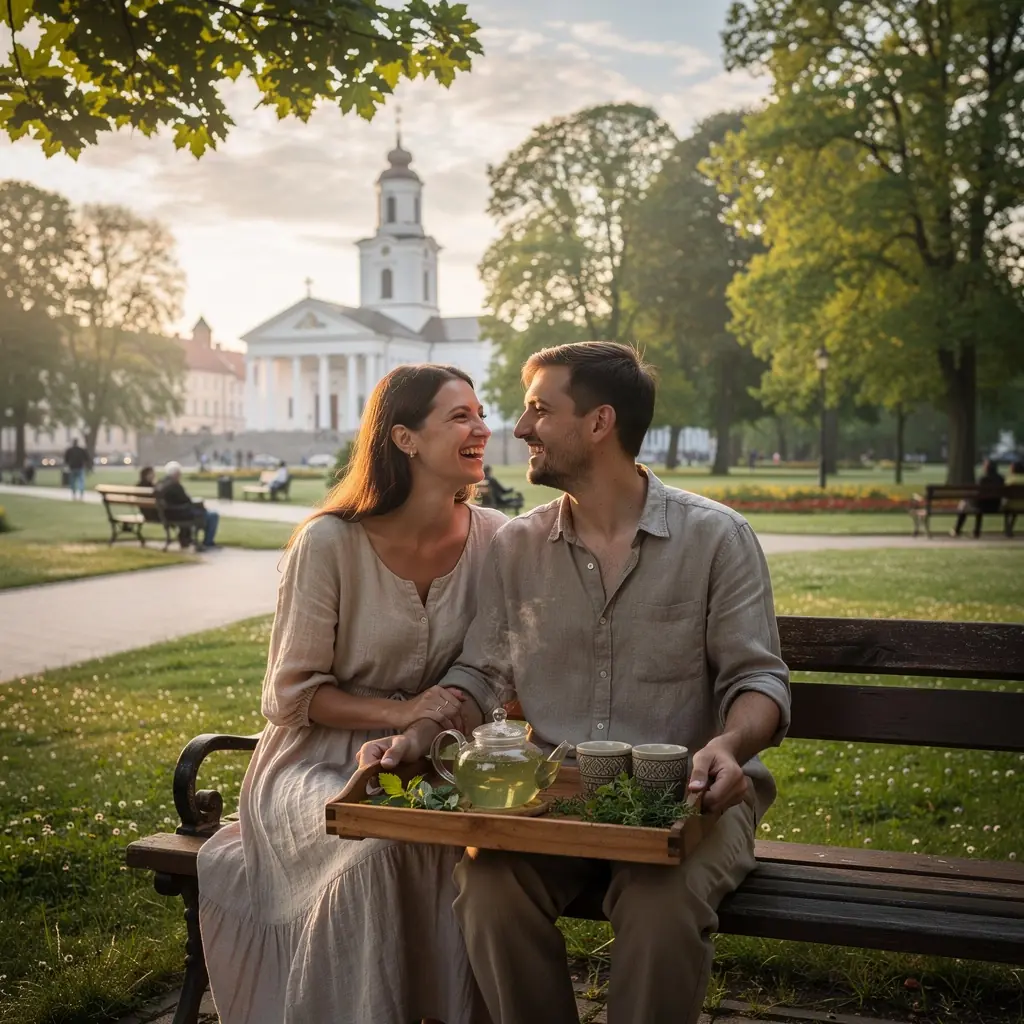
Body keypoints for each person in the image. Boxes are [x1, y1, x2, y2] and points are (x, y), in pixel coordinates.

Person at [362, 342, 791, 1024]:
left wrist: (730, 747)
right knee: (489, 888)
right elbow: (483, 670)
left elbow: (758, 679)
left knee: (658, 907)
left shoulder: (716, 538)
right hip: (556, 797)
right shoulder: (519, 545)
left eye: (539, 409)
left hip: (689, 803)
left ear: (599, 423)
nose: (520, 428)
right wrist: (420, 734)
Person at [196, 364, 506, 1024]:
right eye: (460, 416)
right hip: (314, 760)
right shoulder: (329, 542)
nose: (483, 427)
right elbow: (290, 697)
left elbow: (491, 668)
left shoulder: (495, 540)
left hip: (434, 757)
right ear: (404, 439)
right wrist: (399, 712)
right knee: (375, 849)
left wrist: (422, 728)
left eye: (480, 413)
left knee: (450, 844)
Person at [156, 461, 220, 550]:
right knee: (213, 515)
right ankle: (208, 542)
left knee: (204, 512)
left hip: (168, 514)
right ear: (176, 474)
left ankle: (186, 539)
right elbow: (187, 501)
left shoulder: (161, 484)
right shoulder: (175, 486)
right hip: (180, 514)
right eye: (179, 474)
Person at [951, 458, 1005, 538]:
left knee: (965, 504)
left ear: (986, 468)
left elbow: (977, 493)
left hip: (982, 506)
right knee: (977, 505)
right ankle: (975, 531)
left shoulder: (982, 479)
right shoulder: (1001, 479)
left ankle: (957, 530)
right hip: (995, 506)